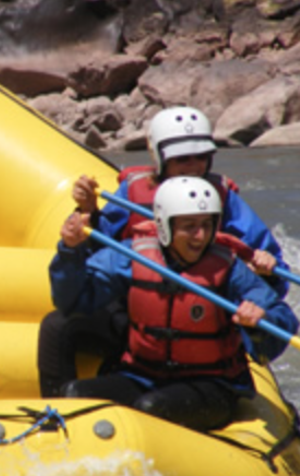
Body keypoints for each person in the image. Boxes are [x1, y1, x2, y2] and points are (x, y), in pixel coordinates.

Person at [37, 105, 289, 397]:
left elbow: (266, 284)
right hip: (133, 303)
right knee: (58, 325)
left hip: (202, 311)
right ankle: (59, 412)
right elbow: (101, 252)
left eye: (200, 157)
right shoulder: (133, 199)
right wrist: (88, 215)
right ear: (160, 157)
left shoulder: (222, 205)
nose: (193, 166)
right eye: (182, 159)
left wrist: (265, 274)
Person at [44, 176, 298, 430]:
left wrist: (259, 321)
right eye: (189, 226)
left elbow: (282, 318)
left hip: (213, 386)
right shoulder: (133, 254)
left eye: (206, 225)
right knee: (73, 394)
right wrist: (70, 253)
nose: (200, 236)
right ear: (165, 226)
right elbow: (73, 301)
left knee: (151, 408)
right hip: (142, 376)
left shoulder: (230, 268)